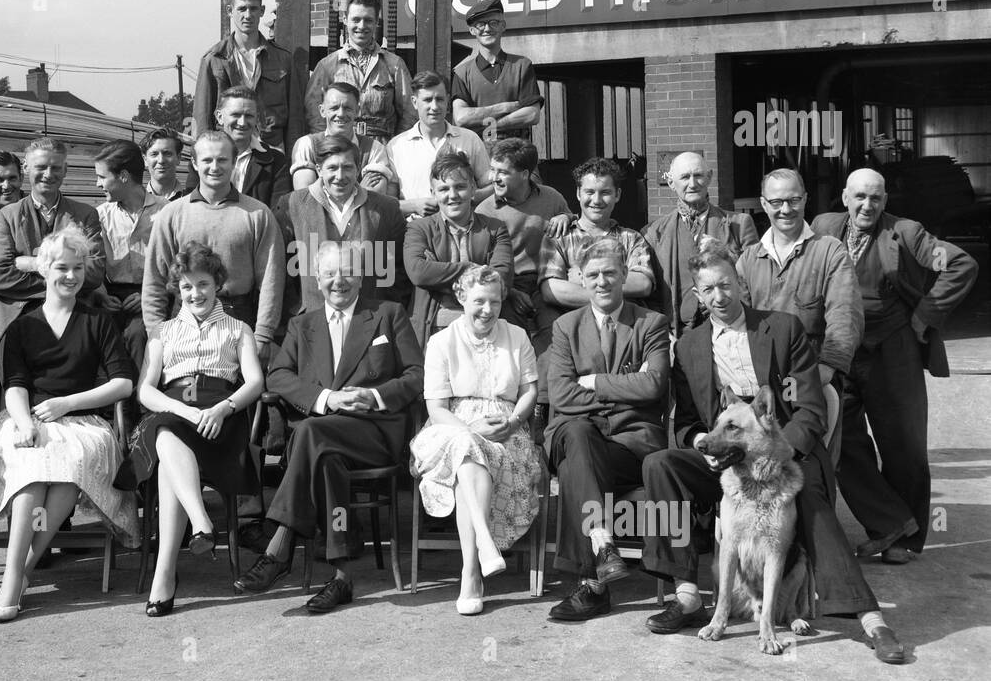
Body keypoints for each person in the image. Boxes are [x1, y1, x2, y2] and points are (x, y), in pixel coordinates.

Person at [638, 242, 906, 664]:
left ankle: (870, 618)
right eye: (707, 290)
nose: (719, 297)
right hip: (726, 456)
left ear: (740, 284)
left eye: (725, 285)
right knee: (659, 464)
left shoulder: (782, 329)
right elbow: (688, 421)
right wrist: (699, 446)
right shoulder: (688, 348)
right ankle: (686, 594)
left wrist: (780, 454)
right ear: (697, 295)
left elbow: (811, 409)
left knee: (813, 504)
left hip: (785, 456)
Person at [232, 242, 423, 611]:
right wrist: (326, 400)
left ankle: (280, 545)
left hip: (374, 432)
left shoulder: (387, 314)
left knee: (307, 434)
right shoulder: (302, 325)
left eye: (348, 271)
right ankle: (341, 575)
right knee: (325, 461)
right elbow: (279, 376)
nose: (339, 280)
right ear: (317, 279)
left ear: (362, 275)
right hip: (323, 436)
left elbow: (417, 375)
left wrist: (374, 396)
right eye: (330, 273)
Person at [0, 226, 135, 622]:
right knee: (30, 473)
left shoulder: (97, 321)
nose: (71, 276)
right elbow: (15, 386)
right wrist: (24, 423)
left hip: (83, 421)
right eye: (62, 267)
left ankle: (20, 572)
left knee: (69, 470)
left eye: (78, 268)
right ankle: (14, 576)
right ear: (44, 269)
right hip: (28, 418)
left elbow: (123, 382)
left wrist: (67, 404)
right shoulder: (23, 327)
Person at [812, 169, 978, 563]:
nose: (866, 205)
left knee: (903, 445)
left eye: (875, 198)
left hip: (892, 349)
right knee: (840, 440)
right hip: (840, 351)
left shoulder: (907, 233)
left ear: (885, 200)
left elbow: (961, 264)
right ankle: (889, 524)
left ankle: (906, 542)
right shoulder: (822, 227)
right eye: (859, 197)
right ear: (844, 198)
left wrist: (924, 316)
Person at [130, 243, 264, 615]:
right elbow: (145, 390)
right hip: (174, 413)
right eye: (187, 286)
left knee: (167, 451)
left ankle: (166, 574)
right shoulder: (163, 331)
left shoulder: (239, 329)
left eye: (203, 284)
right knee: (166, 432)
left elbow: (254, 383)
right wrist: (183, 412)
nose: (195, 293)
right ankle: (201, 524)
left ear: (218, 284)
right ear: (177, 289)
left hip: (221, 421)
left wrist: (223, 408)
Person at [544, 238, 669, 622]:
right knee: (578, 434)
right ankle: (602, 548)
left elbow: (654, 386)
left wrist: (595, 381)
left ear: (624, 276)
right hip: (576, 435)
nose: (602, 281)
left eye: (610, 273)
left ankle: (592, 584)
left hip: (629, 446)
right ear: (581, 279)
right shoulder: (566, 326)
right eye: (593, 274)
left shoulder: (651, 323)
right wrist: (624, 391)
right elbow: (562, 395)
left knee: (574, 466)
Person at [409, 265, 542, 615]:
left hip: (507, 431)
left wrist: (513, 422)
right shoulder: (441, 342)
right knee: (465, 447)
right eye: (479, 301)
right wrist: (470, 430)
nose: (487, 310)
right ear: (461, 298)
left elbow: (530, 391)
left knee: (469, 457)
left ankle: (471, 571)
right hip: (451, 427)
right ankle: (481, 550)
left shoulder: (517, 336)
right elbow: (436, 408)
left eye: (495, 302)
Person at [736, 168, 862, 459]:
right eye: (777, 202)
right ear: (764, 204)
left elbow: (845, 314)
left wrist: (827, 367)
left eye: (793, 200)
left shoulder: (830, 252)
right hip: (760, 382)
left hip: (812, 375)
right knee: (760, 461)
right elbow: (738, 320)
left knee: (814, 461)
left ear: (805, 200)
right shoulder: (749, 259)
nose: (785, 209)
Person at [142, 130, 285, 359]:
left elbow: (271, 280)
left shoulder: (258, 214)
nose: (215, 167)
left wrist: (263, 335)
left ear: (235, 162)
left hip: (239, 317)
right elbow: (154, 280)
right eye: (207, 160)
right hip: (185, 316)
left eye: (222, 159)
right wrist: (155, 334)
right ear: (195, 164)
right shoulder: (172, 214)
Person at [0, 136, 106, 349]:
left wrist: (32, 263)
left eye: (55, 167)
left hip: (72, 310)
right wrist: (66, 275)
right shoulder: (7, 215)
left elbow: (94, 273)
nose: (48, 175)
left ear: (65, 170)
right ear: (26, 168)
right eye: (41, 167)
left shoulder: (86, 215)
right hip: (16, 314)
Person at [276, 134, 405, 316]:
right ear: (319, 170)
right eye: (332, 168)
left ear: (358, 169)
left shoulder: (385, 209)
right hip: (311, 320)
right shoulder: (292, 205)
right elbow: (282, 268)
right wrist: (296, 310)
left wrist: (385, 311)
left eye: (347, 167)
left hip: (370, 318)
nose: (340, 176)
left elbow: (398, 269)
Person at [641, 150, 758, 337]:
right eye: (685, 177)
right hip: (679, 333)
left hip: (733, 328)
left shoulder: (739, 224)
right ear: (671, 183)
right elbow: (653, 294)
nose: (693, 183)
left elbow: (754, 280)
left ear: (709, 177)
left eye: (698, 175)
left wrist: (726, 253)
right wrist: (663, 333)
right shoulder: (653, 233)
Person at [404, 150, 514, 348]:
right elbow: (418, 273)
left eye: (460, 187)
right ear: (433, 193)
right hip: (434, 328)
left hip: (486, 326)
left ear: (473, 189)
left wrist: (438, 273)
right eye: (444, 189)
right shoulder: (418, 228)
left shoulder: (495, 229)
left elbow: (501, 278)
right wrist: (476, 269)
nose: (452, 195)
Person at [475, 138, 572, 361]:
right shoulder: (485, 211)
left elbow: (575, 227)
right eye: (492, 170)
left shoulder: (552, 197)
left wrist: (565, 216)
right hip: (508, 286)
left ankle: (547, 395)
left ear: (525, 174)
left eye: (502, 172)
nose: (493, 178)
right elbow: (482, 265)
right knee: (510, 342)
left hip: (547, 284)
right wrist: (510, 291)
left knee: (555, 337)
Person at [193, 0, 304, 154]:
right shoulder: (213, 60)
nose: (248, 15)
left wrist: (294, 162)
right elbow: (202, 119)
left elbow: (295, 119)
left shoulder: (283, 60)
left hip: (272, 152)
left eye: (253, 8)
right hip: (228, 153)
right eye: (242, 9)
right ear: (230, 11)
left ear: (262, 11)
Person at [540, 156, 654, 317]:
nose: (597, 200)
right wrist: (613, 294)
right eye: (590, 192)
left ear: (617, 194)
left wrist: (581, 280)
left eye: (605, 192)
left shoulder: (632, 238)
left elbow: (643, 284)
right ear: (579, 193)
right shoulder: (559, 237)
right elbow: (551, 290)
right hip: (574, 331)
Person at [303, 0, 415, 142]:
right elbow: (314, 116)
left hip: (382, 152)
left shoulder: (394, 65)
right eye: (356, 19)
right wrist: (329, 148)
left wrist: (395, 149)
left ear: (376, 22)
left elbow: (410, 114)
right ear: (345, 20)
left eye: (368, 20)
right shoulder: (327, 67)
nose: (361, 26)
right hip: (341, 151)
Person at [93, 140, 165, 370]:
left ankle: (137, 400)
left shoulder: (166, 212)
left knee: (138, 334)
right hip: (110, 297)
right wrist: (102, 294)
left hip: (153, 295)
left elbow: (177, 266)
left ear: (123, 176)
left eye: (103, 177)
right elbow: (92, 262)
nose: (97, 184)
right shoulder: (100, 216)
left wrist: (148, 294)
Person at [385, 71, 492, 217]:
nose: (434, 107)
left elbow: (491, 187)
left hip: (463, 230)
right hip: (414, 230)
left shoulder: (470, 139)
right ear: (414, 102)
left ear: (448, 101)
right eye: (428, 100)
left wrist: (471, 198)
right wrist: (413, 206)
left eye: (440, 99)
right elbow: (387, 201)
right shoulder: (397, 146)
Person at [450, 0, 544, 142]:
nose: (487, 29)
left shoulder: (522, 65)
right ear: (472, 30)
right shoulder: (462, 73)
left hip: (516, 157)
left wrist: (491, 126)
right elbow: (461, 118)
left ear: (503, 26)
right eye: (480, 24)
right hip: (477, 156)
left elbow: (532, 114)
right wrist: (505, 107)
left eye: (493, 23)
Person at [183, 85, 291, 208]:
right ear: (219, 117)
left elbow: (279, 210)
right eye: (236, 115)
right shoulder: (202, 157)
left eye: (249, 116)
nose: (242, 122)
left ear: (257, 118)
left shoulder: (276, 161)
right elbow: (191, 205)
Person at [288, 81, 393, 192]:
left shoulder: (374, 148)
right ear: (322, 111)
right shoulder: (306, 145)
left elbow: (375, 201)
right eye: (334, 108)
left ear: (357, 111)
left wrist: (323, 189)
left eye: (347, 108)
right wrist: (360, 190)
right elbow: (305, 200)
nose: (341, 114)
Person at [141, 128, 187, 202]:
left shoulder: (192, 202)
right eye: (154, 154)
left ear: (178, 158)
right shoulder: (135, 203)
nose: (161, 160)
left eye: (167, 154)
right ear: (145, 159)